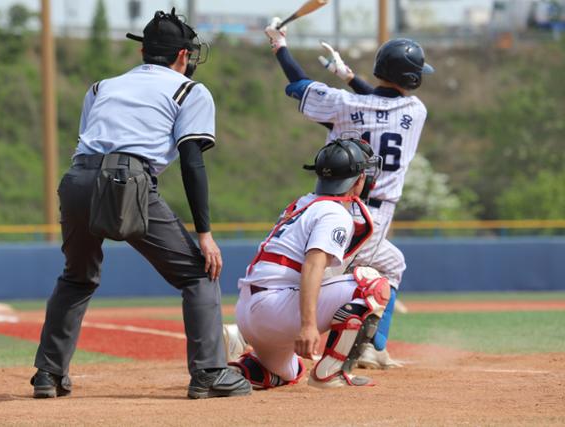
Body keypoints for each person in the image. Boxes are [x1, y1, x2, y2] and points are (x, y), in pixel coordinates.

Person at [31, 8, 251, 400]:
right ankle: (210, 373)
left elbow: (90, 143)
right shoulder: (188, 90)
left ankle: (48, 374)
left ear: (142, 53)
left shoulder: (101, 87)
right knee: (197, 275)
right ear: (183, 55)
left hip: (77, 179)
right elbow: (192, 160)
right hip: (127, 180)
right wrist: (205, 234)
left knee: (76, 277)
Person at [264, 18, 434, 369]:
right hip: (373, 216)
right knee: (328, 281)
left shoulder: (343, 107)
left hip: (339, 205)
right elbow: (379, 105)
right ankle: (248, 335)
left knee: (387, 265)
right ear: (412, 78)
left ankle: (373, 346)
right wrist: (347, 76)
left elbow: (299, 86)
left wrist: (280, 46)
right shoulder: (415, 111)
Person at [228, 138, 391, 389]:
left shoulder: (304, 203)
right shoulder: (335, 213)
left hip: (249, 312)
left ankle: (246, 359)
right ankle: (331, 374)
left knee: (290, 372)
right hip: (275, 309)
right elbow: (312, 266)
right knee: (372, 285)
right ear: (358, 180)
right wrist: (307, 326)